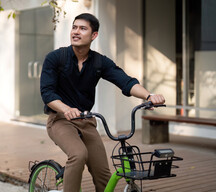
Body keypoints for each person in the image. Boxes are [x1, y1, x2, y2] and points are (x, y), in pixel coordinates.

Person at [40, 13, 165, 192]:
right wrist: (66, 109)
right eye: (74, 27)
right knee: (78, 154)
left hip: (86, 121)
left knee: (103, 174)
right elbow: (47, 93)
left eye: (82, 28)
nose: (76, 32)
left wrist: (149, 96)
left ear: (94, 35)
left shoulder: (99, 62)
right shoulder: (55, 58)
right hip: (59, 119)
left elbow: (126, 82)